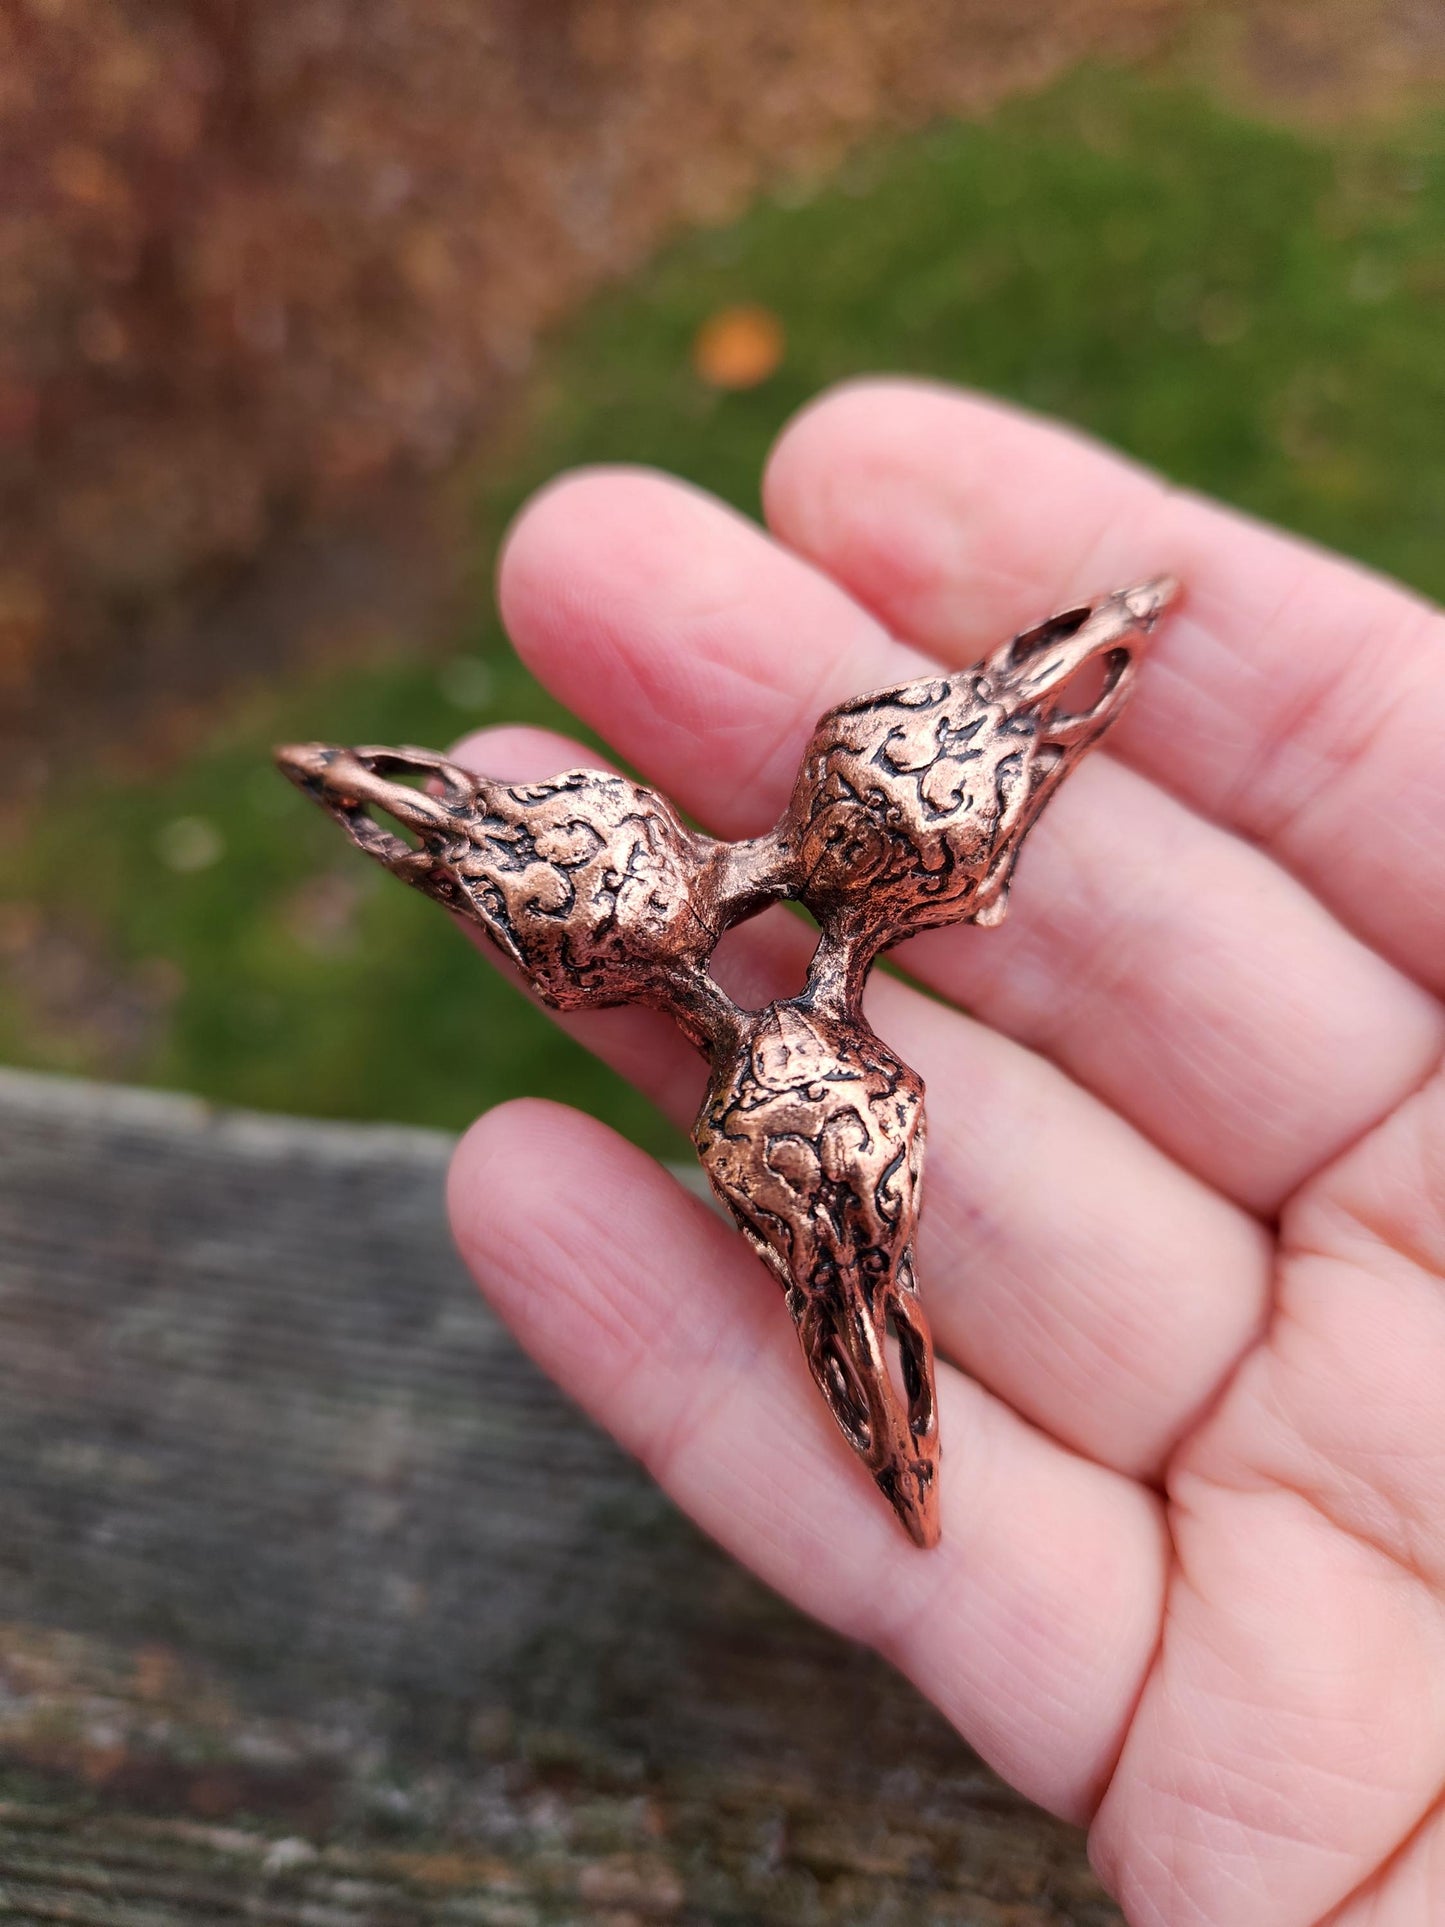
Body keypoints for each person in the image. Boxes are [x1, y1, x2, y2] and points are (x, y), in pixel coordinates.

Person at [444, 378, 1445, 1927]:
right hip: (817, 1052)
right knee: (845, 1292)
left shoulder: (811, 974)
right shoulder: (816, 965)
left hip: (818, 1048)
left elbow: (1029, 703)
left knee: (848, 1290)